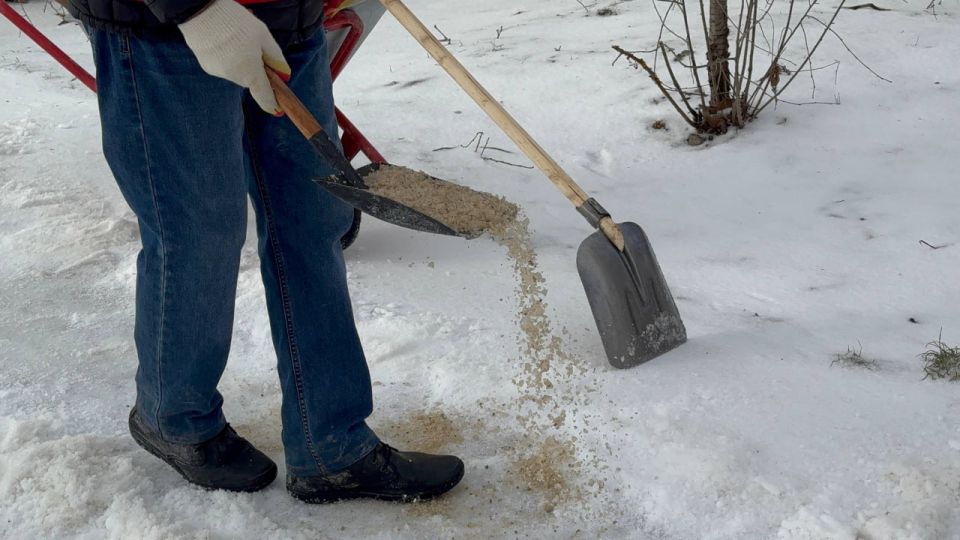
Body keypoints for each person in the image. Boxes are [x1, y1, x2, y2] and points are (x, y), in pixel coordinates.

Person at [65, 0, 464, 502]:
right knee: (199, 234)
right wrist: (195, 9)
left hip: (290, 22)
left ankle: (332, 447)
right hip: (166, 33)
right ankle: (174, 418)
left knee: (313, 222)